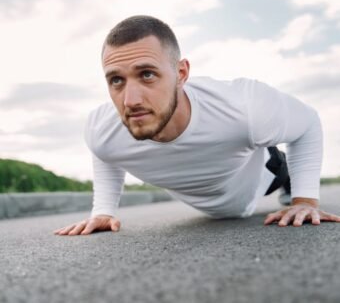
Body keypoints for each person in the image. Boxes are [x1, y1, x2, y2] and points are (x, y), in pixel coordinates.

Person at [54, 15, 340, 236]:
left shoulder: (244, 105)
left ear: (181, 73)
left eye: (148, 75)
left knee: (269, 155)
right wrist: (103, 211)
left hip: (260, 176)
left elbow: (308, 123)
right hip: (212, 201)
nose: (130, 100)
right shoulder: (101, 129)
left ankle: (286, 177)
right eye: (116, 80)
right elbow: (105, 152)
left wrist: (305, 201)